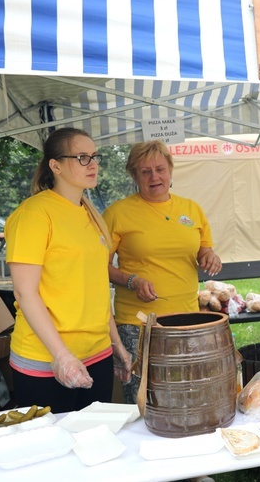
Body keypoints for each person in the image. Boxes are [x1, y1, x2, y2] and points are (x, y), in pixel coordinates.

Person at [5, 128, 131, 413]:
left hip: (97, 353)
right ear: (56, 165)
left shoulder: (90, 213)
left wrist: (116, 344)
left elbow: (96, 287)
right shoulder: (34, 214)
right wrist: (61, 356)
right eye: (82, 157)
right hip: (46, 358)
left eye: (95, 156)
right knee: (52, 451)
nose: (94, 164)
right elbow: (26, 293)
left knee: (95, 442)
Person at [102, 140, 222, 405]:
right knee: (145, 400)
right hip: (139, 324)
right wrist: (131, 280)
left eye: (159, 169)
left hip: (188, 320)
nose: (154, 177)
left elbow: (203, 251)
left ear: (170, 170)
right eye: (145, 172)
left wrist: (209, 257)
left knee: (189, 396)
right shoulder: (117, 214)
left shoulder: (192, 209)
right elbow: (100, 266)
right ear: (134, 176)